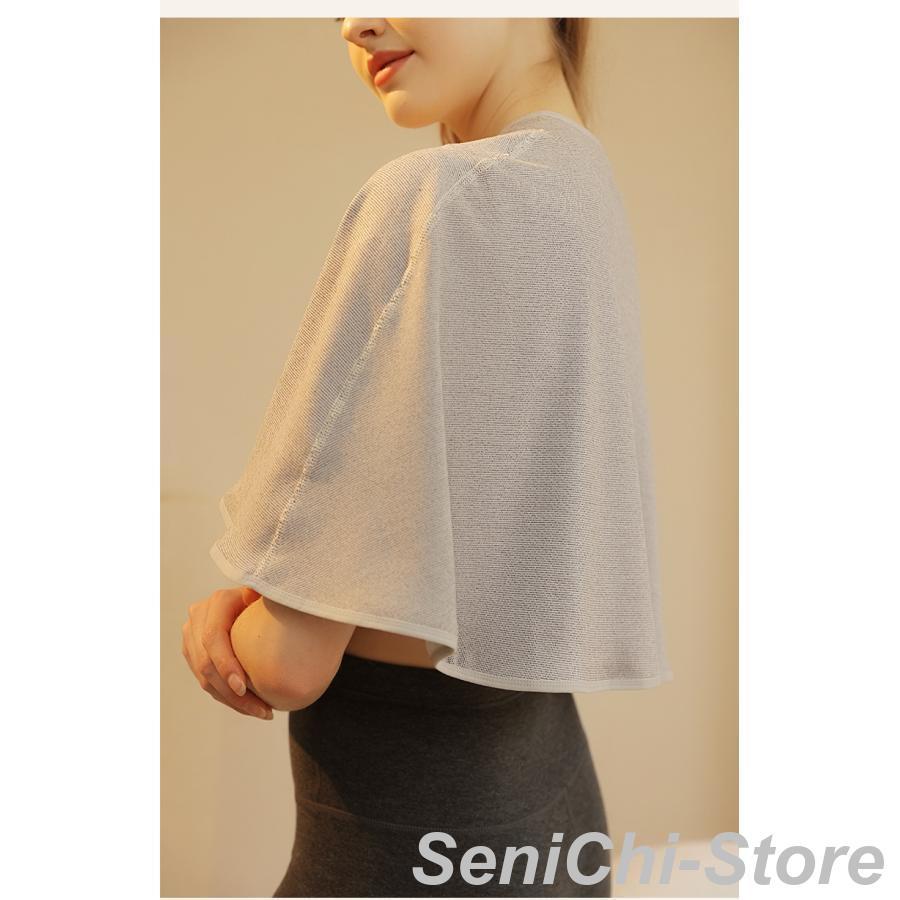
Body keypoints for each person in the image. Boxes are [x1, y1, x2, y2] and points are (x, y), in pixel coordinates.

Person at [181, 17, 673, 898]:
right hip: (554, 826)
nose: (353, 22)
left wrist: (223, 623)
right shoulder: (584, 188)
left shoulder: (435, 198)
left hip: (404, 851)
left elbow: (287, 664)